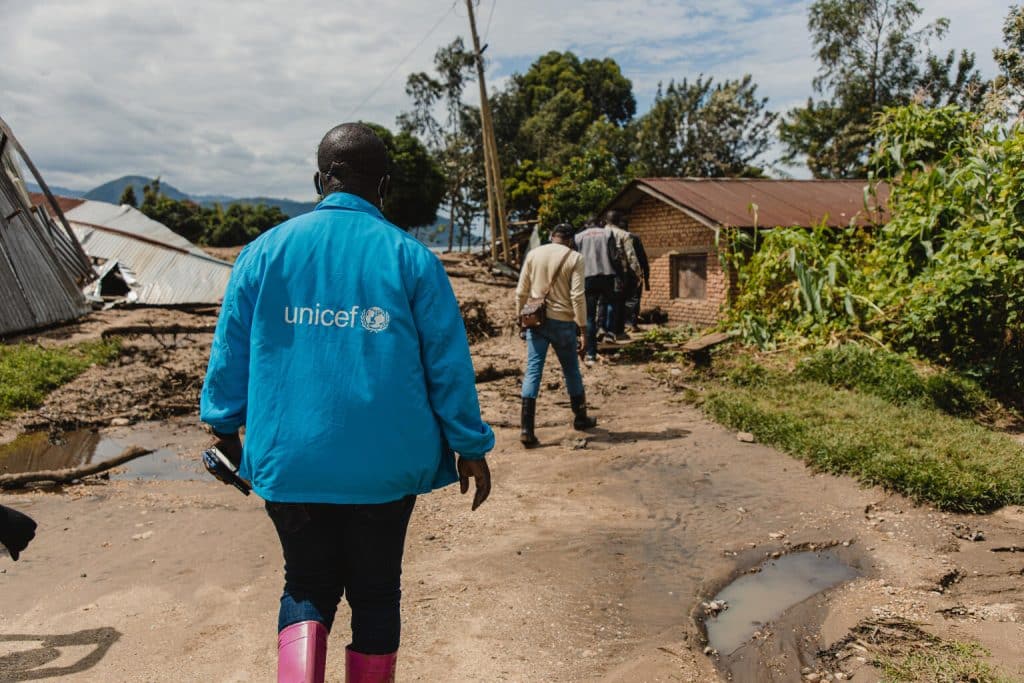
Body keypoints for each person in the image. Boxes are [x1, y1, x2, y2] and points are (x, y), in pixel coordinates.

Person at [200, 122, 494, 683]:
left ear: (319, 179)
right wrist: (469, 446)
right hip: (384, 468)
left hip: (290, 462)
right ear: (383, 186)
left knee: (306, 586)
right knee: (377, 591)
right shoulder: (412, 259)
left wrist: (224, 429)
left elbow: (229, 353)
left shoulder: (263, 253)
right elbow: (447, 366)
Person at [516, 223, 597, 447]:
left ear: (552, 236)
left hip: (536, 321)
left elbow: (521, 291)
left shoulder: (534, 254)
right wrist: (582, 329)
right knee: (571, 369)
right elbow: (578, 296)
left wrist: (520, 319)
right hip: (563, 322)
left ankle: (526, 429)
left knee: (533, 370)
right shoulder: (575, 258)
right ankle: (580, 418)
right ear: (571, 240)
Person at [573, 219, 618, 365]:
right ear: (600, 223)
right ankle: (609, 332)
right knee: (610, 302)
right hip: (607, 276)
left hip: (587, 278)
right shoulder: (607, 233)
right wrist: (620, 274)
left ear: (586, 224)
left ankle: (591, 354)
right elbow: (614, 256)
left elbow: (574, 258)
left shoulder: (578, 237)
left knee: (589, 317)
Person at [603, 210, 643, 340]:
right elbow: (631, 256)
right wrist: (637, 274)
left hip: (599, 273)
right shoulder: (624, 234)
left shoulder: (599, 234)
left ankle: (603, 330)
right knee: (618, 302)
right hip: (618, 274)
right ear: (618, 221)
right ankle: (616, 331)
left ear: (606, 221)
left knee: (602, 303)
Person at [624, 231, 650, 332]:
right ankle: (632, 324)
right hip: (634, 274)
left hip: (619, 275)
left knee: (623, 300)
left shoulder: (612, 236)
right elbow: (643, 258)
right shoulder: (634, 238)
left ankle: (624, 325)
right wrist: (646, 278)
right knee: (634, 298)